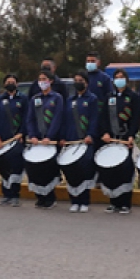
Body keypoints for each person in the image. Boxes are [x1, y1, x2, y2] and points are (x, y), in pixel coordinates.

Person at [99, 68, 140, 214]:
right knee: (111, 171)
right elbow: (103, 117)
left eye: (122, 77)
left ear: (126, 79)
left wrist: (131, 135)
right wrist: (104, 132)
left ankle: (125, 203)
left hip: (125, 140)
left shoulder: (133, 97)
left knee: (124, 171)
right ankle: (113, 202)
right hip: (111, 140)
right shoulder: (109, 96)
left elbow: (135, 119)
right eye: (116, 77)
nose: (119, 79)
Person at [61, 70, 99, 213]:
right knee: (72, 171)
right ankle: (74, 200)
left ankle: (84, 201)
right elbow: (65, 121)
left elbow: (94, 119)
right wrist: (63, 137)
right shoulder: (70, 100)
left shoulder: (92, 99)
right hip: (71, 140)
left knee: (84, 171)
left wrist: (90, 134)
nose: (78, 82)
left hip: (85, 141)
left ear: (86, 83)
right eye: (76, 80)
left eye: (80, 80)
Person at [26, 69, 64, 209]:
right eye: (40, 79)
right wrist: (32, 136)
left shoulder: (57, 98)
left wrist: (50, 136)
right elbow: (29, 119)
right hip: (37, 141)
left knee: (48, 169)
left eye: (44, 79)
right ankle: (40, 196)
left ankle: (50, 197)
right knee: (35, 169)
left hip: (50, 141)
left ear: (51, 81)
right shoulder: (35, 98)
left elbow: (57, 119)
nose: (41, 82)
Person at [0, 74, 28, 206]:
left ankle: (15, 195)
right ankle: (6, 194)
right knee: (4, 168)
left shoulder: (23, 99)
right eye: (8, 82)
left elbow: (26, 118)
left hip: (17, 139)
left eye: (13, 82)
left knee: (16, 168)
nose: (10, 84)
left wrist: (22, 133)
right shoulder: (0, 99)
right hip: (3, 139)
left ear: (17, 84)